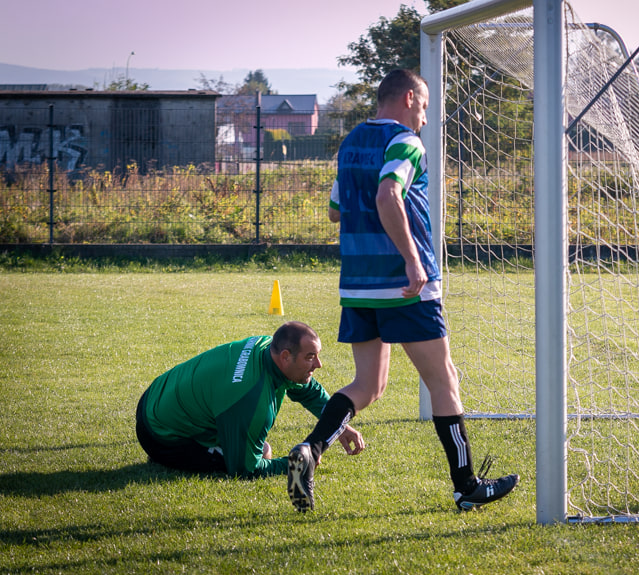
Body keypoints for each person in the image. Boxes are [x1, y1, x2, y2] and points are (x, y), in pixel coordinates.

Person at [286, 69, 519, 512]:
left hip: (358, 284)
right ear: (410, 98)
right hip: (405, 284)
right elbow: (388, 195)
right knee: (443, 381)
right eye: (425, 107)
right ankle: (467, 485)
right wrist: (413, 260)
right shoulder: (406, 141)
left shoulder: (351, 141)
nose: (426, 119)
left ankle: (310, 450)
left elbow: (336, 212)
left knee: (368, 386)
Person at [136, 321, 364, 478]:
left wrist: (337, 424)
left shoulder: (267, 347)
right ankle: (166, 456)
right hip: (160, 435)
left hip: (154, 396)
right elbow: (246, 469)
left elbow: (309, 391)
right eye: (310, 357)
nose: (318, 365)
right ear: (286, 357)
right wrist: (294, 464)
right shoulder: (249, 399)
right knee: (263, 451)